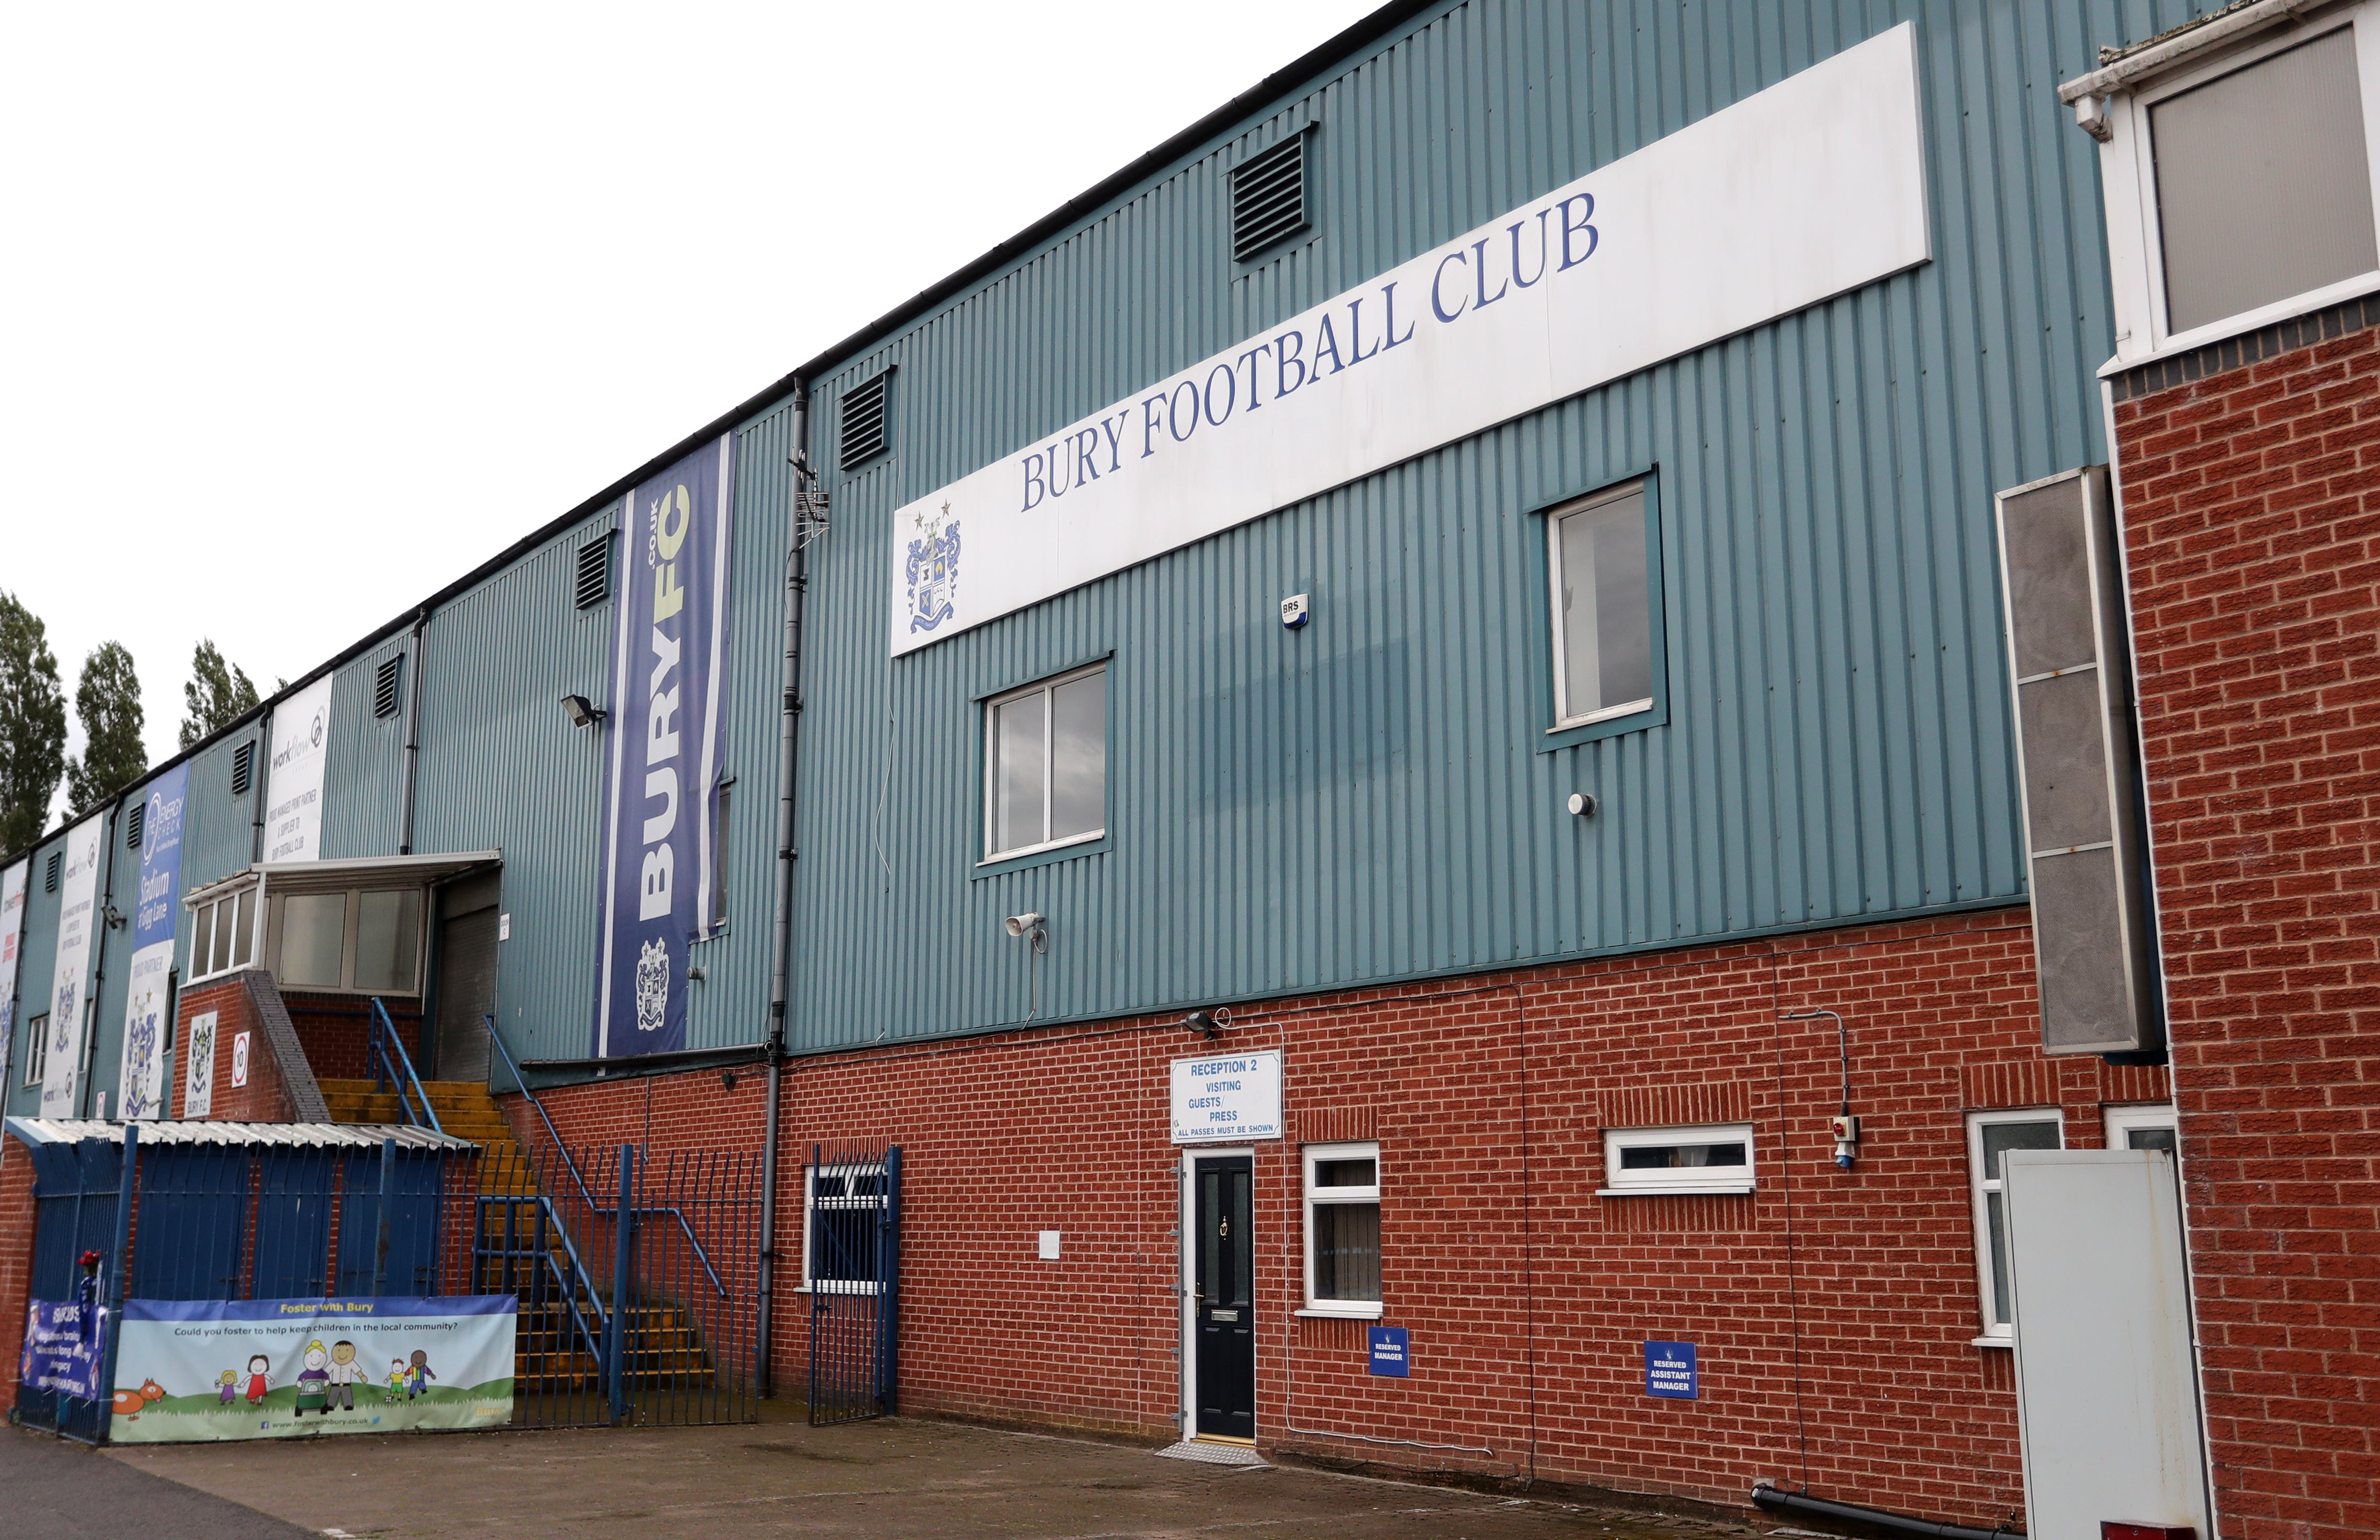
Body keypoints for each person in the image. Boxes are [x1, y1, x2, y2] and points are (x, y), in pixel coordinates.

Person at [325, 1340, 369, 1412]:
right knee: (333, 1395)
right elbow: (326, 1372)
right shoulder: (333, 1364)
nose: (343, 1354)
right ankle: (330, 1405)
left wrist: (362, 1377)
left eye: (347, 1350)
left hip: (346, 1385)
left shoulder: (351, 1363)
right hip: (335, 1385)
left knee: (347, 1395)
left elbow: (358, 1371)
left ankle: (348, 1406)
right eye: (339, 1350)